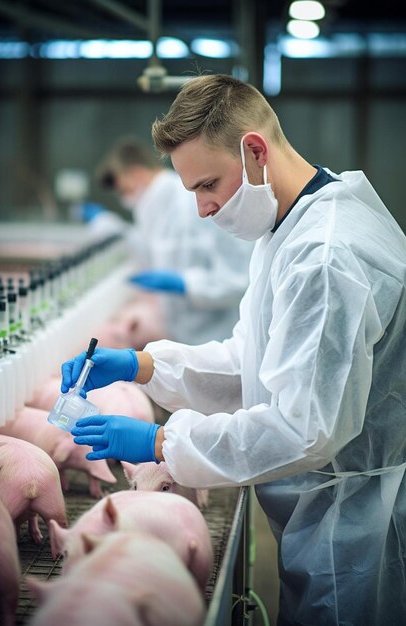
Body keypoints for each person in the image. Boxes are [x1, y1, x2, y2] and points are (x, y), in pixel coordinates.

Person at [61, 74, 406, 625]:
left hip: (357, 530)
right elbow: (254, 362)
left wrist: (162, 441)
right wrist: (145, 364)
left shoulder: (325, 256)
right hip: (330, 512)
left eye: (207, 185)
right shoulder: (288, 231)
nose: (203, 209)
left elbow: (304, 428)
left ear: (254, 150)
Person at [89, 136, 253, 345]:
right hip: (184, 331)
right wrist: (106, 224)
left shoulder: (191, 201)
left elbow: (238, 278)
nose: (125, 199)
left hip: (219, 333)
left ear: (138, 174)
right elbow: (149, 248)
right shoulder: (152, 207)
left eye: (125, 190)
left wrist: (184, 284)